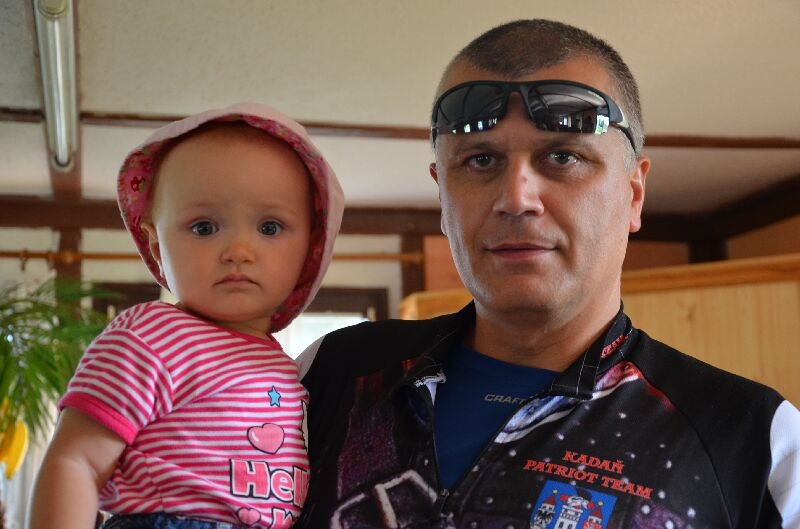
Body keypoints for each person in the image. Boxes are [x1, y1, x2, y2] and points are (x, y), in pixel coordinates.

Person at [295, 19, 800, 529]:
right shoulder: (328, 377)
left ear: (634, 194)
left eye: (563, 156)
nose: (516, 198)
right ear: (441, 196)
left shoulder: (756, 443)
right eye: (481, 160)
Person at [27, 103, 344, 529]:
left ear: (310, 249)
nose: (238, 251)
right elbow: (77, 461)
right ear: (156, 246)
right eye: (204, 227)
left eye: (269, 227)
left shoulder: (286, 368)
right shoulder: (151, 336)